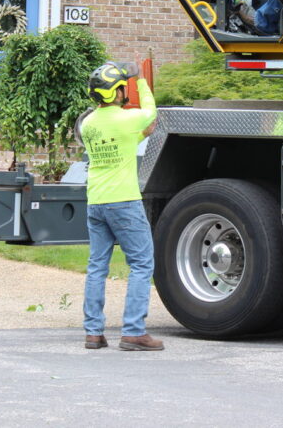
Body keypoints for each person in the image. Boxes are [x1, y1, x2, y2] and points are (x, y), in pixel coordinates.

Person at [79, 60, 162, 351]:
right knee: (141, 263)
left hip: (96, 201)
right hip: (124, 201)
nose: (125, 92)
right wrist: (139, 80)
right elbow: (151, 112)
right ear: (115, 92)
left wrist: (141, 136)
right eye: (122, 88)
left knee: (97, 266)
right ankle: (133, 332)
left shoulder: (88, 123)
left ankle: (93, 333)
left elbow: (114, 144)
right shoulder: (127, 117)